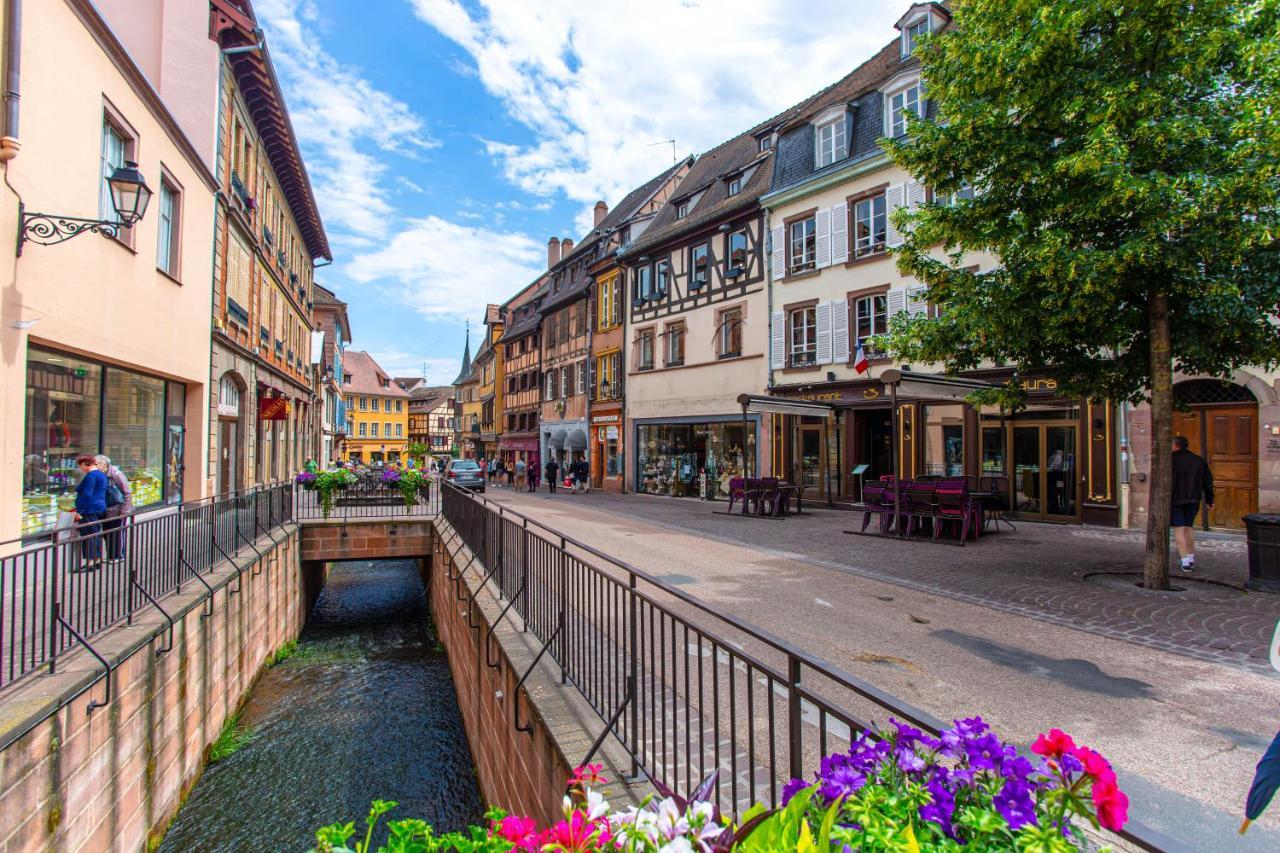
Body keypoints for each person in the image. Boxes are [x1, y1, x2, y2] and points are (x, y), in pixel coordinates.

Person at [1171, 435, 1214, 573]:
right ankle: (1190, 559)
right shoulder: (1199, 460)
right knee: (1189, 528)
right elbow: (1208, 482)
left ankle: (1185, 562)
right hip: (1194, 499)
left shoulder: (1171, 460)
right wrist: (1210, 500)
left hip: (1176, 499)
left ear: (1175, 446)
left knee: (1179, 529)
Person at [96, 455, 133, 562]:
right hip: (106, 509)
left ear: (104, 464)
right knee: (107, 532)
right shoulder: (100, 474)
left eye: (97, 463)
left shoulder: (117, 474)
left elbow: (127, 493)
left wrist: (125, 511)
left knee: (117, 533)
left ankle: (118, 555)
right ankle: (111, 555)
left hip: (117, 509)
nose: (95, 466)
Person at [74, 455, 108, 566]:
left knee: (88, 535)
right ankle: (97, 559)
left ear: (85, 464)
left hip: (89, 509)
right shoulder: (101, 475)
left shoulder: (91, 476)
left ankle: (90, 562)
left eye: (81, 466)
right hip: (99, 508)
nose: (81, 469)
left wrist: (80, 511)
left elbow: (87, 494)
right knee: (96, 534)